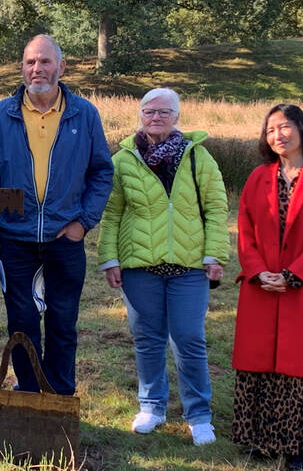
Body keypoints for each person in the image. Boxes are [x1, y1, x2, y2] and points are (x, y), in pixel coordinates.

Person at [0, 34, 113, 396]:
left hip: (63, 238)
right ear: (22, 68)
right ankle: (29, 393)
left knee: (63, 323)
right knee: (21, 324)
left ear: (61, 67)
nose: (37, 69)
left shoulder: (84, 113)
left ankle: (60, 398)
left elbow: (102, 172)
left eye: (45, 61)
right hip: (15, 239)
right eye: (30, 62)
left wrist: (83, 224)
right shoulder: (2, 114)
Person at [97, 87, 229, 445]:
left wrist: (215, 254)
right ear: (140, 115)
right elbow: (111, 213)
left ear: (177, 117)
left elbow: (217, 209)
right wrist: (109, 257)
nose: (156, 118)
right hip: (139, 266)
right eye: (149, 112)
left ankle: (199, 414)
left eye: (163, 112)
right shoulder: (122, 160)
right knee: (147, 339)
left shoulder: (199, 157)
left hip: (188, 266)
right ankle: (152, 405)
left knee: (189, 338)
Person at [232, 104, 303, 471]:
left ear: (301, 130)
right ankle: (259, 441)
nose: (277, 135)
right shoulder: (256, 177)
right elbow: (244, 230)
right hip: (261, 285)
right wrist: (258, 271)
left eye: (284, 127)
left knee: (299, 364)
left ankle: (297, 448)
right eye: (270, 130)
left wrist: (293, 275)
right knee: (258, 359)